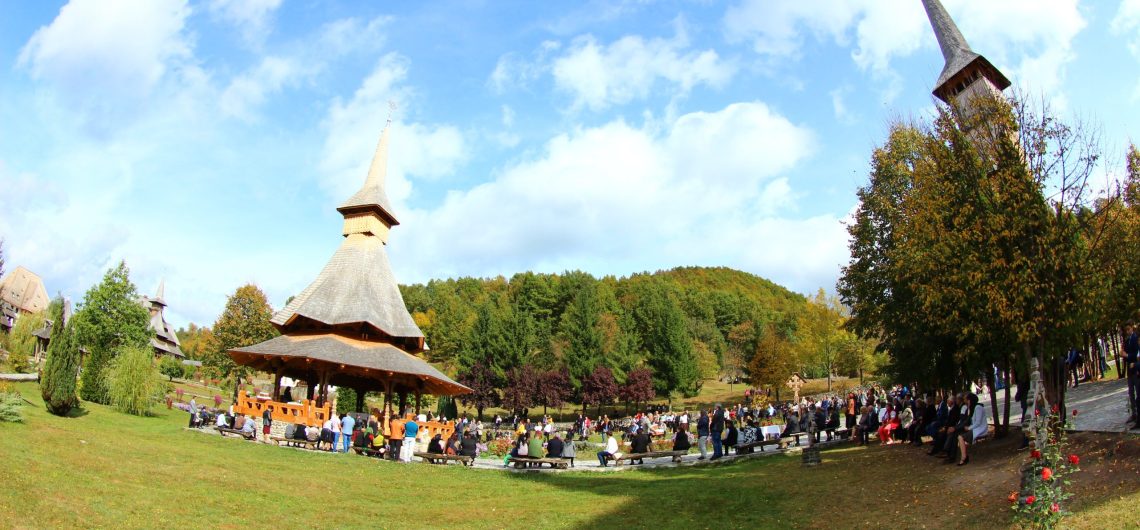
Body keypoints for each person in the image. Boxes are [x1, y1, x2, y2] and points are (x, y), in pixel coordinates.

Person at [957, 393, 988, 465]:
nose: (964, 401)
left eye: (965, 399)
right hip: (975, 428)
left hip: (980, 429)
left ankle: (964, 457)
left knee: (960, 437)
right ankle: (964, 456)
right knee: (960, 435)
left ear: (969, 400)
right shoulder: (972, 408)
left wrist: (969, 428)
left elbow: (978, 422)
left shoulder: (978, 408)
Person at [1126, 325, 1140, 426]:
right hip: (1130, 370)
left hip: (1136, 369)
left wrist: (1127, 356)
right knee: (1131, 392)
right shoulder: (1128, 340)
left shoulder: (1136, 338)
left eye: (1128, 329)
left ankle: (1138, 414)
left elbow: (1136, 354)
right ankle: (1134, 413)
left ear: (1132, 328)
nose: (1127, 331)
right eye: (1126, 329)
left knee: (1138, 392)